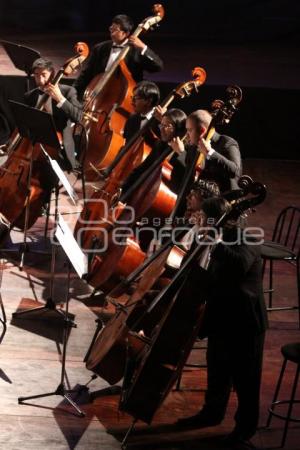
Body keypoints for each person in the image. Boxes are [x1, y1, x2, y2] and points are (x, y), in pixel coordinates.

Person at [177, 196, 268, 450]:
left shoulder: (246, 237)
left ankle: (245, 429)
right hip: (220, 316)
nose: (198, 220)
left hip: (245, 322)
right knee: (217, 371)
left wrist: (213, 241)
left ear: (216, 220)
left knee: (246, 380)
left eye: (202, 217)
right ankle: (211, 413)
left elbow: (238, 264)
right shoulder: (207, 236)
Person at [73, 14, 163, 99]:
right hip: (97, 93)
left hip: (123, 96)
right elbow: (86, 74)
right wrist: (72, 92)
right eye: (111, 27)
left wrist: (143, 47)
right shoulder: (100, 48)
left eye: (115, 29)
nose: (111, 31)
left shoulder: (136, 51)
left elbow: (158, 66)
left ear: (126, 33)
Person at [24, 57, 82, 170]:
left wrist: (60, 98)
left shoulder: (67, 91)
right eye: (36, 75)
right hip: (35, 145)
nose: (40, 80)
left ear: (52, 74)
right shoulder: (29, 96)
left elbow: (78, 117)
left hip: (59, 149)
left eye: (44, 74)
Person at [172, 109, 242, 193]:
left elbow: (235, 171)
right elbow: (189, 170)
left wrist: (210, 152)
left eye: (190, 130)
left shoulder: (226, 142)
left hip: (220, 200)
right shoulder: (193, 146)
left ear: (202, 131)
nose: (187, 134)